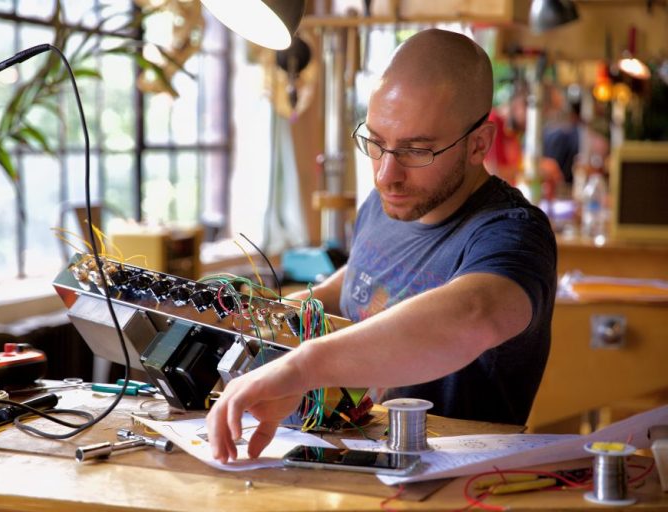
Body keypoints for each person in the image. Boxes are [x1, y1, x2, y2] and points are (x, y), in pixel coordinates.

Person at [207, 28, 557, 463]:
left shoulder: (513, 232)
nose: (385, 174)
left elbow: (475, 314)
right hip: (351, 464)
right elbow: (361, 280)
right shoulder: (389, 202)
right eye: (375, 143)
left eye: (416, 150)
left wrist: (302, 367)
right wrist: (273, 317)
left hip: (451, 486)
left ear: (478, 144)